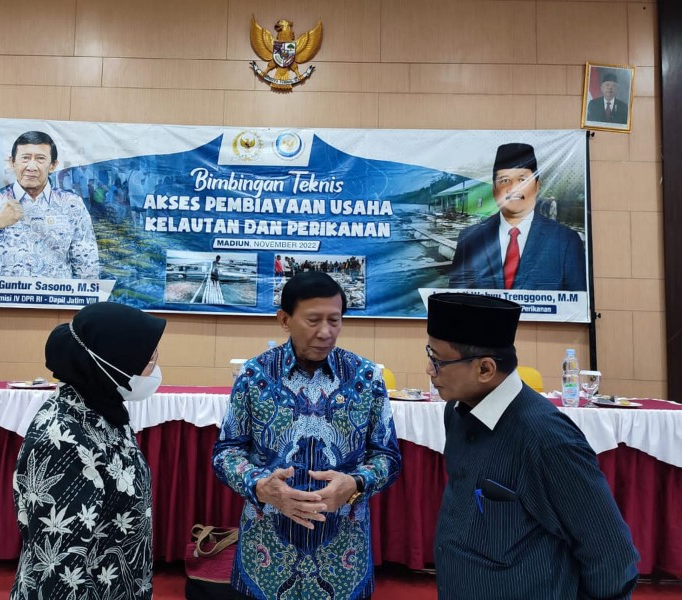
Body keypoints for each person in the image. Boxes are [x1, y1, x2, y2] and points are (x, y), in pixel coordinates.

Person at [426, 292, 639, 599]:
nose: (429, 370)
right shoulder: (457, 412)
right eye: (429, 355)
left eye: (438, 361)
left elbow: (611, 554)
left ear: (485, 369)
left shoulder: (547, 439)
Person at [212, 271, 401, 599]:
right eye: (313, 320)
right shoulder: (254, 375)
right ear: (284, 320)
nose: (325, 332)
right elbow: (226, 451)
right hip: (267, 554)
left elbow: (388, 456)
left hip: (343, 557)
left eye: (334, 320)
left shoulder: (367, 377)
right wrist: (259, 485)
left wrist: (356, 484)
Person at [11, 301, 166, 600]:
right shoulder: (61, 439)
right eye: (148, 358)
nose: (155, 366)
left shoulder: (103, 411)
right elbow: (59, 565)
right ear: (110, 362)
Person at [0, 131, 100, 278]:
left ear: (53, 165)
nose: (31, 167)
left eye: (40, 159)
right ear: (12, 163)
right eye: (25, 158)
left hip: (54, 292)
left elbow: (88, 268)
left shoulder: (72, 204)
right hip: (3, 292)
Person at [449, 143, 586, 291]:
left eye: (523, 180)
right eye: (505, 180)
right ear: (494, 190)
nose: (514, 188)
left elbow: (577, 302)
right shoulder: (469, 240)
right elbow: (455, 298)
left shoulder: (566, 241)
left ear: (537, 186)